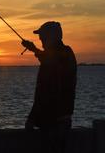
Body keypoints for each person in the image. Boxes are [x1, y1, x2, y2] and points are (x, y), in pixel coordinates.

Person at [21, 21, 77, 153]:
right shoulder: (63, 54)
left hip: (54, 122)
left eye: (43, 36)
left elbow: (45, 92)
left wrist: (32, 118)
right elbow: (51, 60)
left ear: (51, 37)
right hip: (55, 121)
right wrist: (34, 50)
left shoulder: (63, 54)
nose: (40, 39)